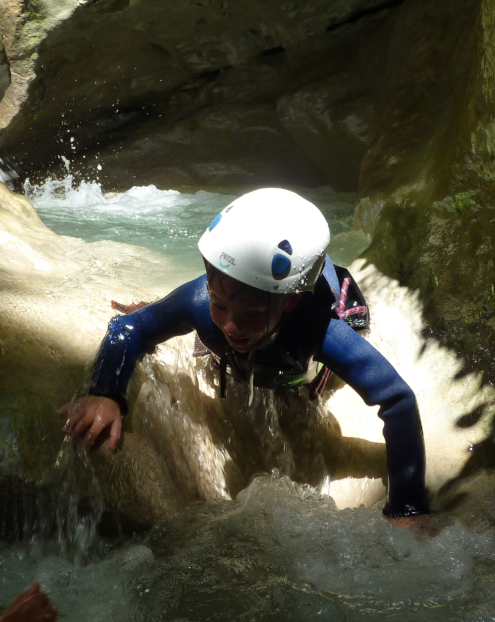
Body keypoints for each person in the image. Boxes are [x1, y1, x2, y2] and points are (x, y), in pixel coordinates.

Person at [60, 188, 430, 525]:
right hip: (259, 304)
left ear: (291, 300)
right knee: (211, 339)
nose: (232, 326)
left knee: (307, 365)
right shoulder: (202, 303)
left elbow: (398, 400)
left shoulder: (319, 329)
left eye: (249, 316)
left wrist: (407, 506)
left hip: (332, 307)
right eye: (220, 306)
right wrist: (107, 392)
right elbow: (128, 329)